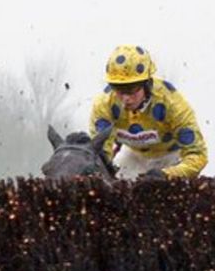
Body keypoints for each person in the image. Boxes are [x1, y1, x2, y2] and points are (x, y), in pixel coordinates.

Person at [89, 45, 208, 179]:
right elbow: (100, 154)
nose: (126, 98)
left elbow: (198, 155)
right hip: (133, 156)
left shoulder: (172, 103)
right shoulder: (104, 104)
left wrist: (167, 175)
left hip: (172, 157)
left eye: (131, 88)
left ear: (147, 83)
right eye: (118, 88)